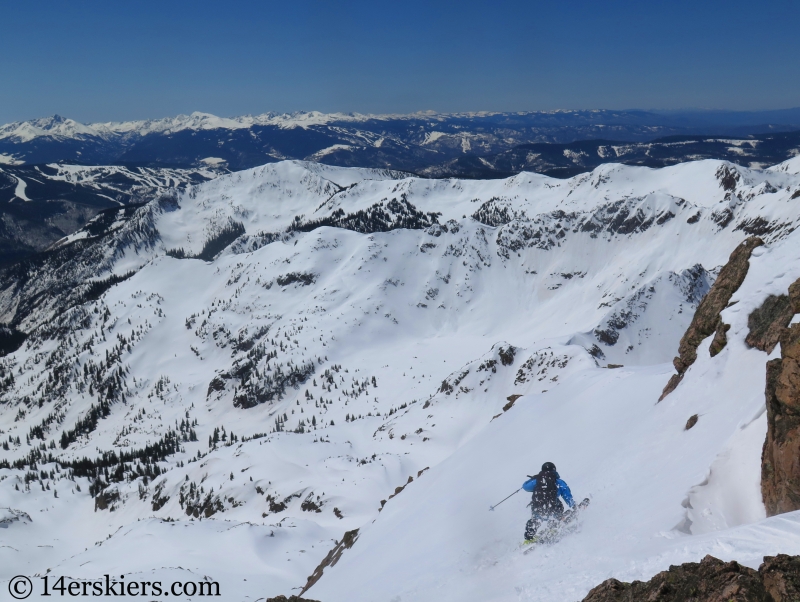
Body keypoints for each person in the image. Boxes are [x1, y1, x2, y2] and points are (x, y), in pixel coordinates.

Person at [522, 461, 575, 542]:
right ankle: (554, 525)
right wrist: (573, 506)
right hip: (552, 509)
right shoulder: (558, 481)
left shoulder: (537, 481)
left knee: (535, 520)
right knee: (558, 505)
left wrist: (534, 478)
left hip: (538, 510)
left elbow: (525, 487)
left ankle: (529, 537)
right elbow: (566, 494)